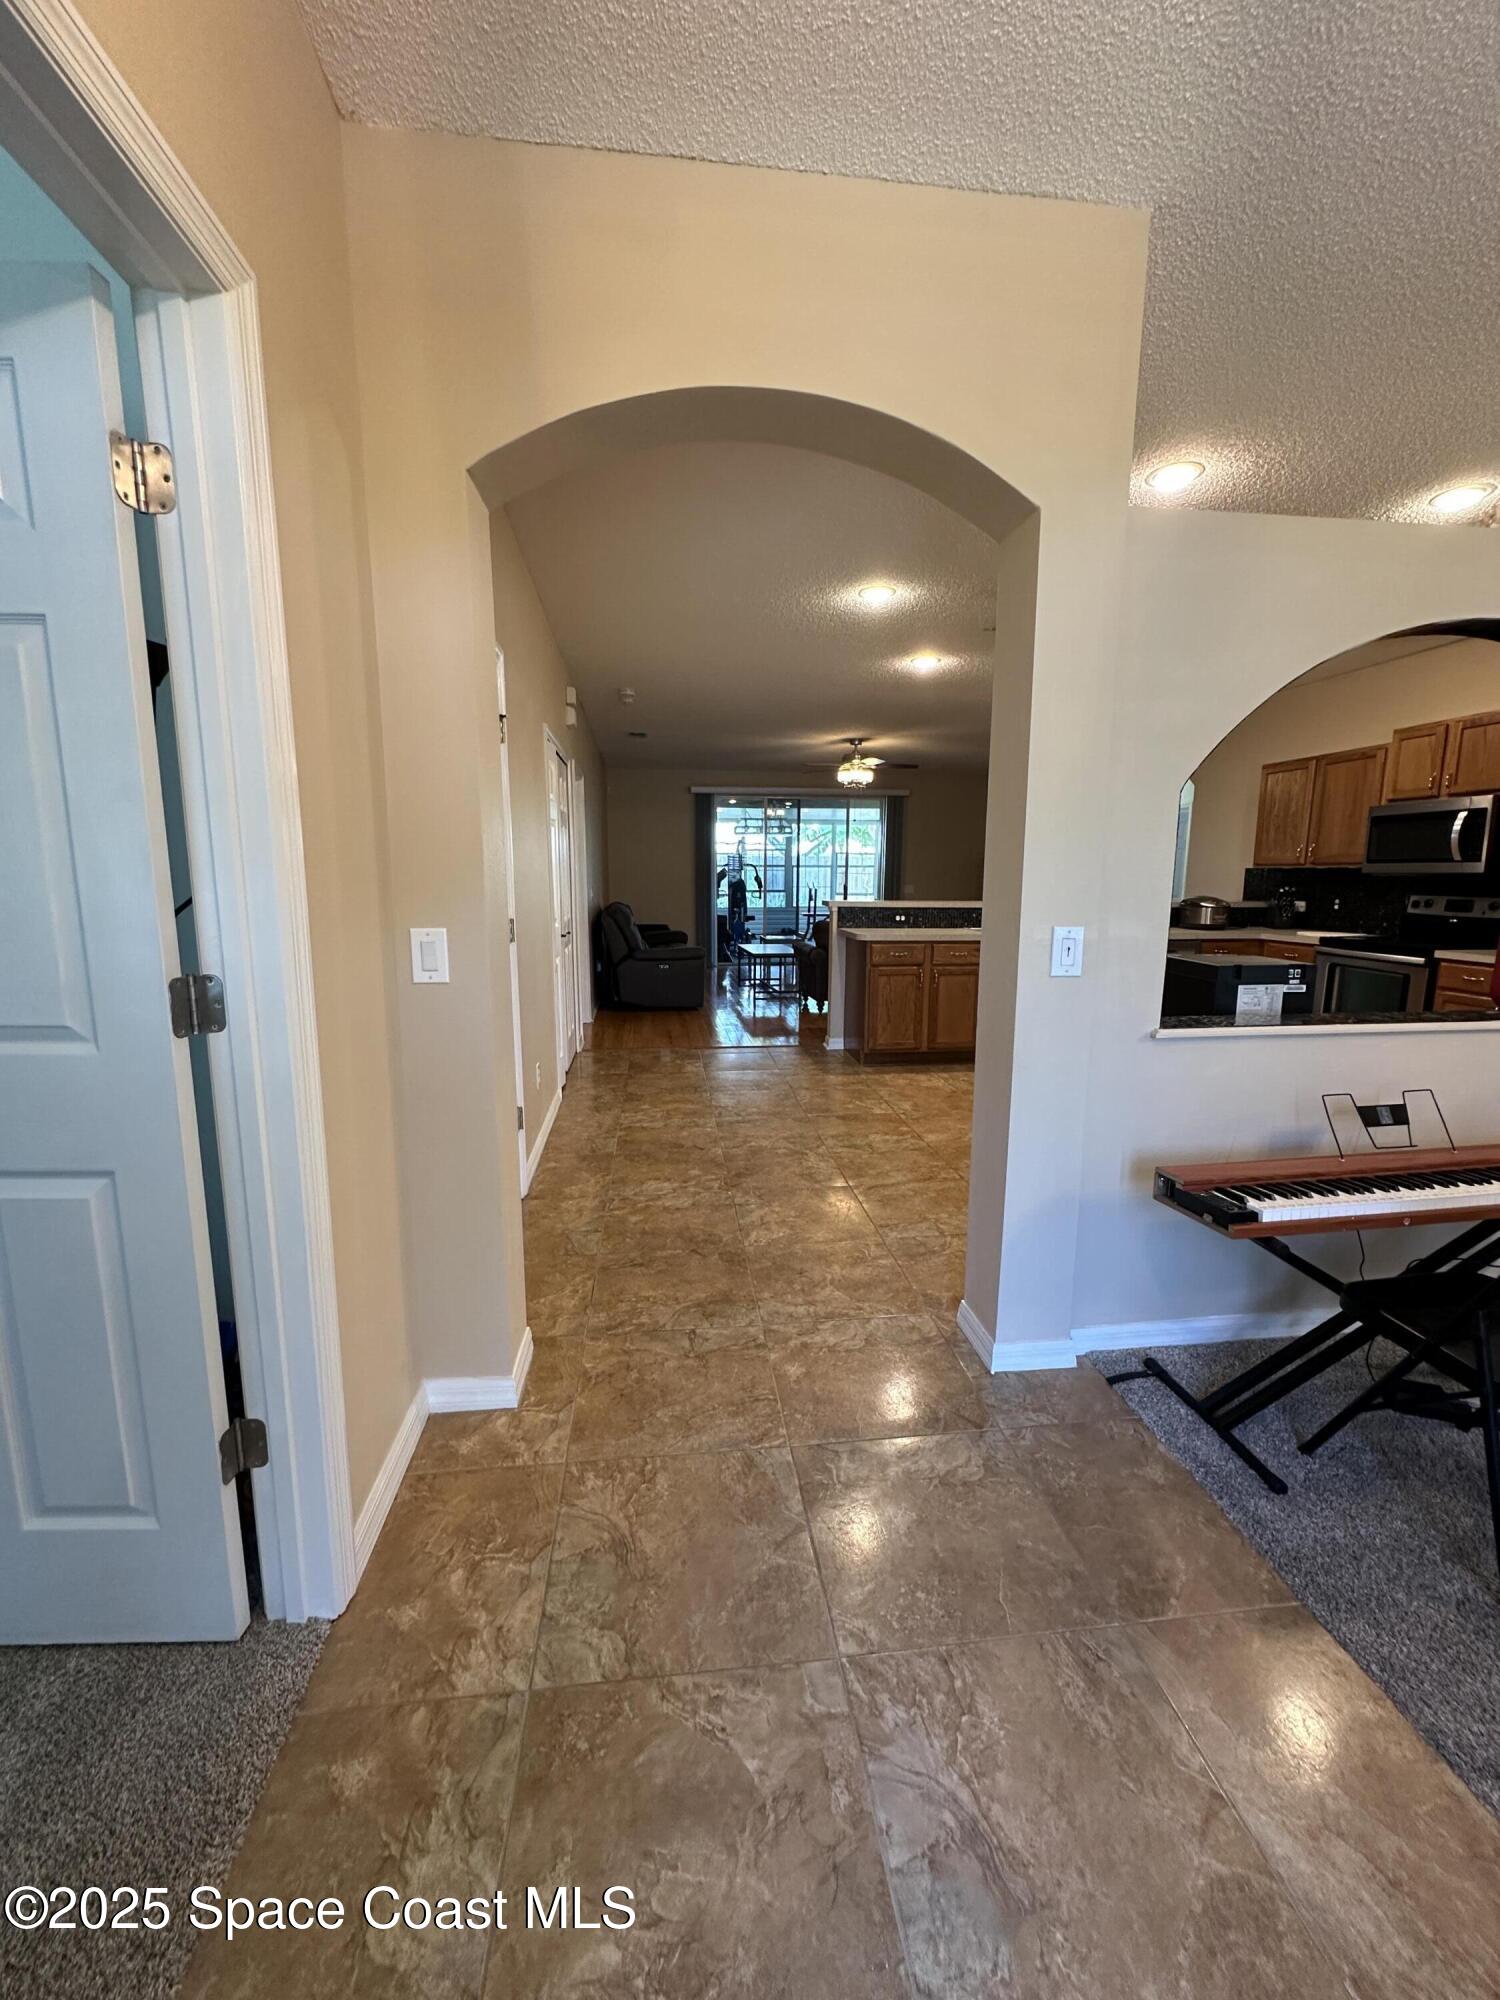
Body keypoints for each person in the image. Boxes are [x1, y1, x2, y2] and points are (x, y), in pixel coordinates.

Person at [717, 841, 763, 950]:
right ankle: (735, 942)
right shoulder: (735, 884)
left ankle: (739, 942)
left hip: (740, 909)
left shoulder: (739, 884)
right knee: (733, 922)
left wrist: (759, 886)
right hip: (736, 910)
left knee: (738, 922)